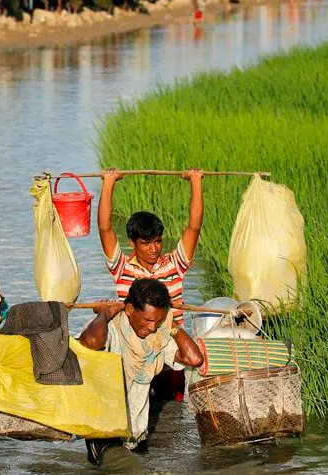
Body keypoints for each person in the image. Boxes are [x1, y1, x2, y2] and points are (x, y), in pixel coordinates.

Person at [77, 278, 203, 466]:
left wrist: (173, 324)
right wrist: (103, 314)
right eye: (148, 320)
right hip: (105, 432)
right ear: (129, 310)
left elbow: (194, 359)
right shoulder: (111, 327)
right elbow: (91, 342)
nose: (152, 327)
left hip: (136, 433)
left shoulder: (158, 337)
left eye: (158, 320)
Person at [97, 168, 204, 328]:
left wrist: (195, 180)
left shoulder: (174, 265)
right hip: (134, 341)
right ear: (132, 243)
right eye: (146, 243)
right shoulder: (121, 268)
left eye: (157, 242)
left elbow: (194, 227)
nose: (154, 249)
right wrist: (109, 182)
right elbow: (105, 228)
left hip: (171, 340)